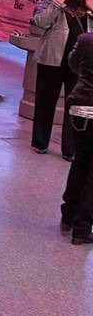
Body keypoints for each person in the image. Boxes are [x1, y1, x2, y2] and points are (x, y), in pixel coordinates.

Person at [29, 0, 93, 158]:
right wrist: (59, 1)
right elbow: (39, 23)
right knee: (45, 101)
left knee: (74, 105)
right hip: (52, 58)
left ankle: (70, 149)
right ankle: (40, 142)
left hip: (81, 62)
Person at [62, 32, 93, 243]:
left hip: (80, 105)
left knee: (80, 160)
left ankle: (69, 214)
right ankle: (82, 229)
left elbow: (73, 64)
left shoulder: (85, 40)